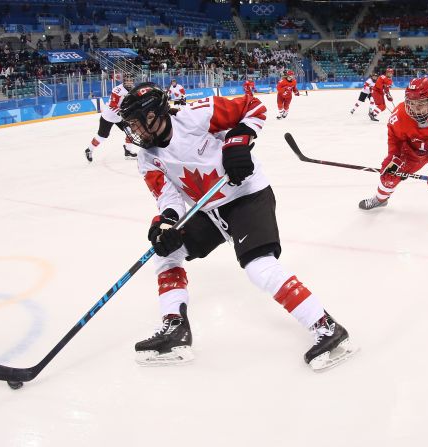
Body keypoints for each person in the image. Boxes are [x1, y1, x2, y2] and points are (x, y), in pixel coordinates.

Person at [118, 83, 355, 371]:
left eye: (137, 124)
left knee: (258, 266)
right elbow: (167, 197)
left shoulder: (196, 116)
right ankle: (175, 328)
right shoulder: (146, 157)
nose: (135, 132)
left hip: (247, 195)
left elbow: (252, 106)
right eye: (130, 126)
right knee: (166, 253)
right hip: (208, 209)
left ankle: (327, 326)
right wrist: (165, 224)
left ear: (155, 115)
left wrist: (237, 142)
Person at [359, 77, 428, 234]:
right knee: (389, 175)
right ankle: (380, 199)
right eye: (411, 103)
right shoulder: (399, 116)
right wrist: (394, 157)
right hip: (412, 152)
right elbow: (395, 140)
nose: (415, 108)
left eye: (421, 104)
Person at [84, 74, 137, 162]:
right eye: (127, 80)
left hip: (120, 116)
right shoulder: (118, 90)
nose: (129, 82)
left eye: (131, 80)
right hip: (109, 116)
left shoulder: (133, 89)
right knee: (102, 136)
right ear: (123, 81)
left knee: (130, 130)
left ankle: (128, 151)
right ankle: (89, 150)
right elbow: (113, 105)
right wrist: (123, 114)